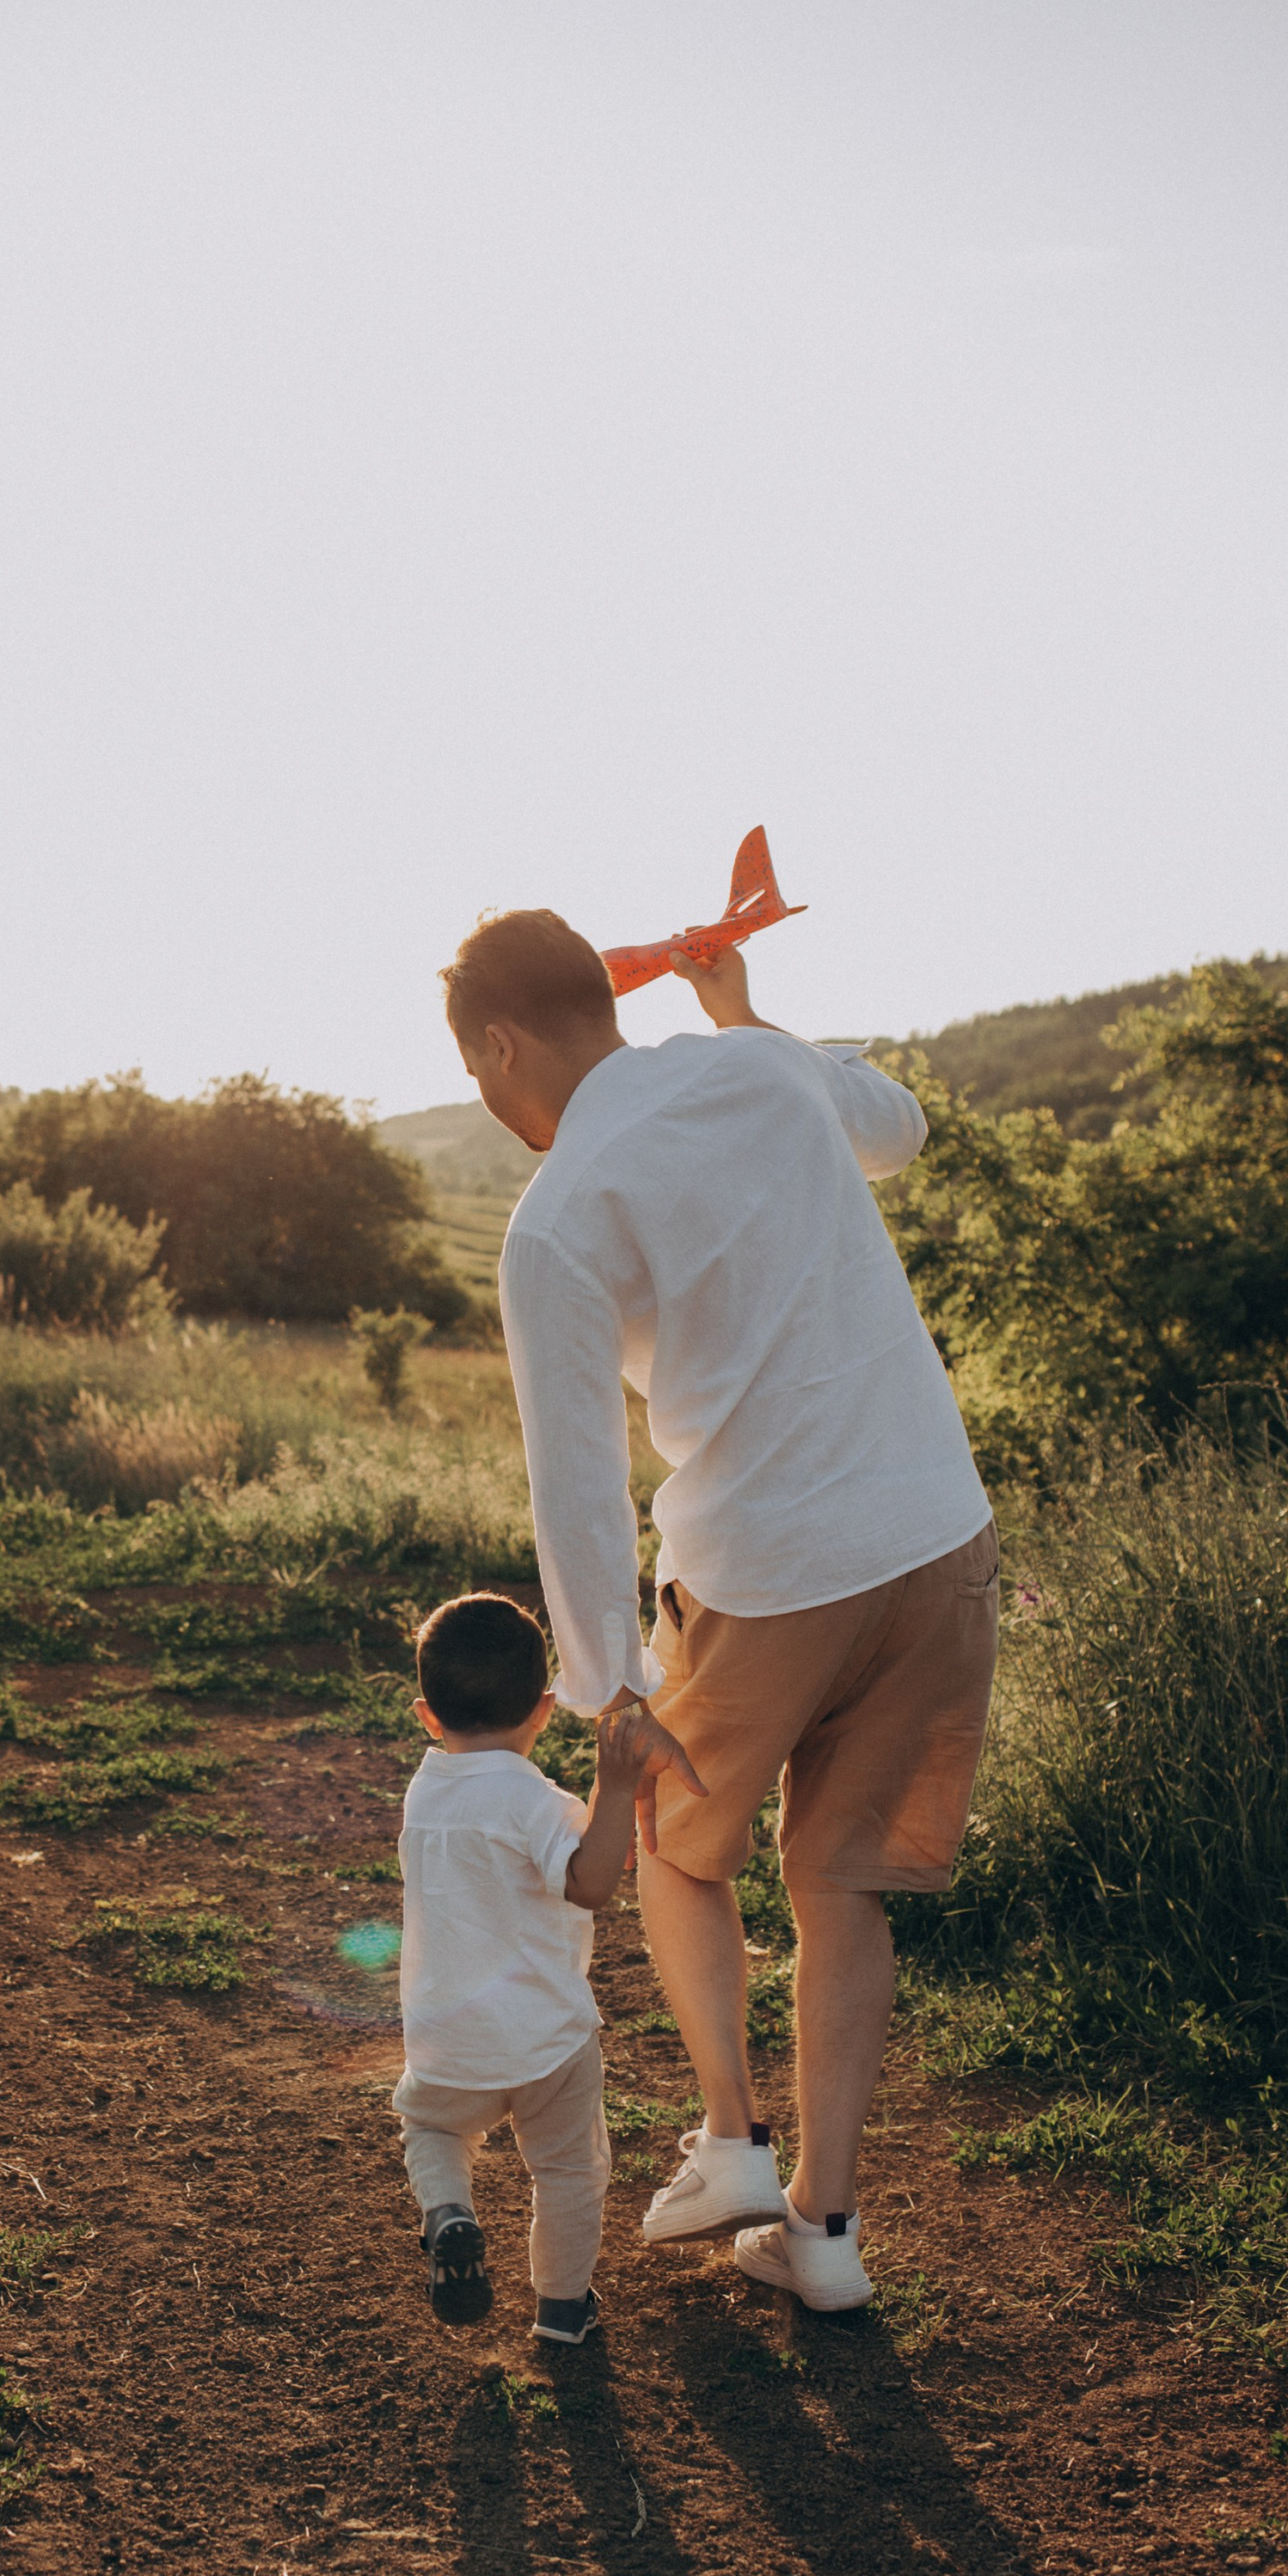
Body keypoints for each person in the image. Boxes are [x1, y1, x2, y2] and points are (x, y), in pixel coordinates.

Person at [442, 907, 997, 2313]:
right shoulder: (757, 1066)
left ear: (501, 1045)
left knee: (678, 1852)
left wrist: (605, 1687)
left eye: (473, 1070)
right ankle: (823, 2234)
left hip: (766, 1568)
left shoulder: (557, 1215)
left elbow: (576, 1479)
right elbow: (901, 1128)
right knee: (844, 1883)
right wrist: (749, 1012)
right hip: (936, 1529)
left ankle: (737, 2145)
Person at [395, 1591, 690, 2346]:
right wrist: (615, 1785)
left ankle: (450, 2213)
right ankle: (561, 2309)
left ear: (428, 1716)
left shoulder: (424, 1793)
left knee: (430, 2126)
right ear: (545, 1709)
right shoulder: (539, 1803)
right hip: (549, 2038)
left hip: (448, 2039)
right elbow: (590, 1885)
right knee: (566, 2170)